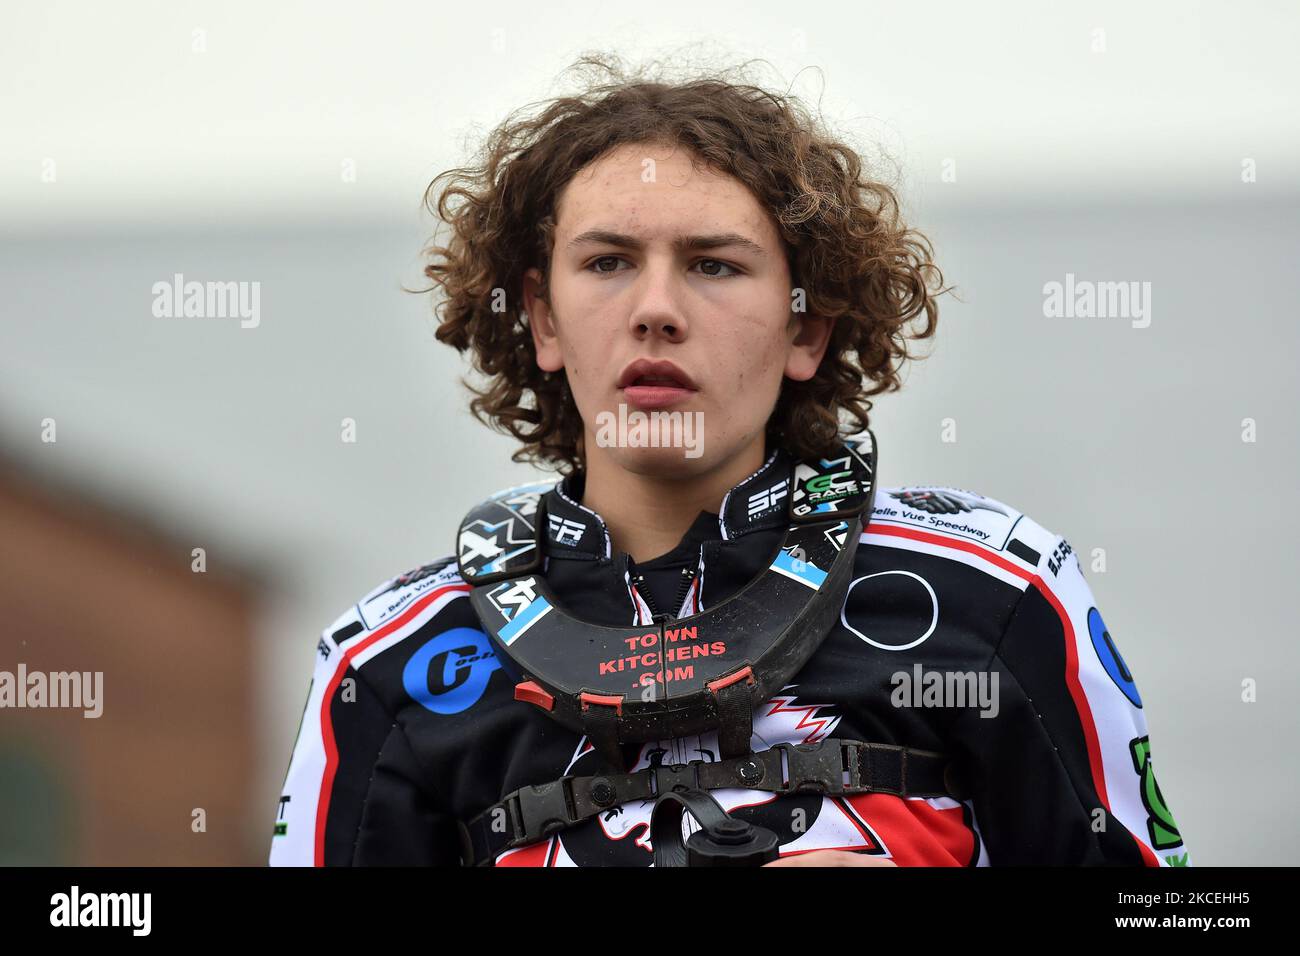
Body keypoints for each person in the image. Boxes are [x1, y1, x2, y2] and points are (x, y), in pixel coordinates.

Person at [268, 55, 1189, 867]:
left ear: (806, 327)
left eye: (715, 264)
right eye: (607, 263)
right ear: (542, 319)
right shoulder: (388, 665)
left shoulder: (997, 595)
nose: (657, 308)